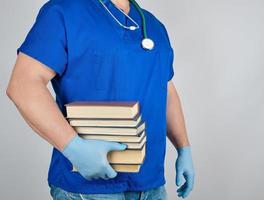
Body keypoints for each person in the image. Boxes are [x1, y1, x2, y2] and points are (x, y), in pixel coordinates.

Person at [6, 0, 195, 199]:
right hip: (86, 188)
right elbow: (23, 85)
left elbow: (164, 89)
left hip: (151, 184)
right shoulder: (64, 12)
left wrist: (184, 148)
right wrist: (73, 147)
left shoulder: (153, 25)